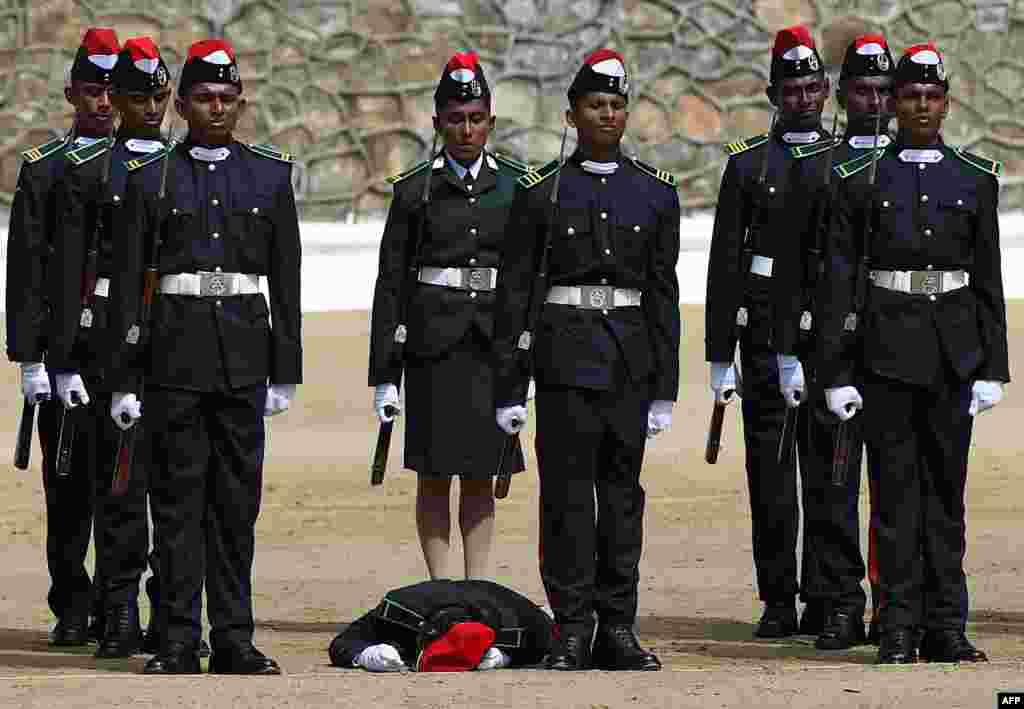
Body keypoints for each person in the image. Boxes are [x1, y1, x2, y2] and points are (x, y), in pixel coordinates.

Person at [107, 38, 301, 675]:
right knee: (177, 503)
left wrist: (285, 369)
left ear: (240, 102)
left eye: (226, 97)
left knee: (237, 506)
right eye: (203, 98)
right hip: (174, 359)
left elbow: (287, 282)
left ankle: (235, 639)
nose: (216, 107)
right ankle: (178, 639)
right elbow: (132, 284)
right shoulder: (152, 177)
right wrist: (125, 378)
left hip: (244, 357)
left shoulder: (269, 176)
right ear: (182, 104)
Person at [819, 42, 1007, 664]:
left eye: (931, 97)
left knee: (945, 500)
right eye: (910, 97)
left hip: (952, 355)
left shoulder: (974, 179)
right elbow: (841, 281)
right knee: (894, 497)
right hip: (885, 355)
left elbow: (986, 280)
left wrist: (993, 367)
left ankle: (947, 625)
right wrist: (836, 370)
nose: (921, 106)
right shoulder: (860, 180)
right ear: (893, 105)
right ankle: (897, 624)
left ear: (946, 104)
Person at [493, 49, 680, 671]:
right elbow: (516, 294)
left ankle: (617, 627)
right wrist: (509, 385)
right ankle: (572, 625)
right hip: (565, 359)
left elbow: (663, 294)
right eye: (596, 105)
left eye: (617, 105)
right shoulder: (541, 194)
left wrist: (665, 386)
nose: (608, 114)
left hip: (629, 360)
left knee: (623, 499)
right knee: (567, 498)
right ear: (572, 114)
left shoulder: (653, 194)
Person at [369, 52, 528, 581]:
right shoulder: (414, 190)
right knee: (434, 475)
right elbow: (390, 285)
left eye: (476, 117)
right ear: (437, 123)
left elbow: (527, 281)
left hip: (492, 345)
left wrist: (525, 364)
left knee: (482, 475)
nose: (466, 129)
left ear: (491, 121)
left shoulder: (517, 188)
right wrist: (385, 375)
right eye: (455, 118)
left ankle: (478, 584)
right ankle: (441, 587)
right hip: (434, 347)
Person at [705, 25, 835, 640]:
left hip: (829, 335)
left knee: (828, 470)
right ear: (772, 93)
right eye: (792, 88)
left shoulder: (850, 159)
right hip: (761, 331)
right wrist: (717, 352)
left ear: (827, 90)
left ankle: (828, 593)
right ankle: (779, 595)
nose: (803, 97)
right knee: (772, 473)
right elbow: (726, 262)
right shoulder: (749, 163)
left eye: (812, 86)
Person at [5, 27, 121, 646]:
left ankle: (119, 603)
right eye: (93, 90)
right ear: (71, 92)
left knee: (126, 486)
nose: (104, 102)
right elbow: (24, 270)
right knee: (70, 485)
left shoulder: (150, 162)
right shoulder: (45, 170)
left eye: (112, 90)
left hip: (128, 348)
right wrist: (28, 358)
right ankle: (72, 603)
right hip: (62, 353)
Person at [328, 579, 553, 672]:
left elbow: (548, 639)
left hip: (496, 603)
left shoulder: (518, 619)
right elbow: (342, 643)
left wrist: (508, 656)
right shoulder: (399, 609)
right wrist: (365, 655)